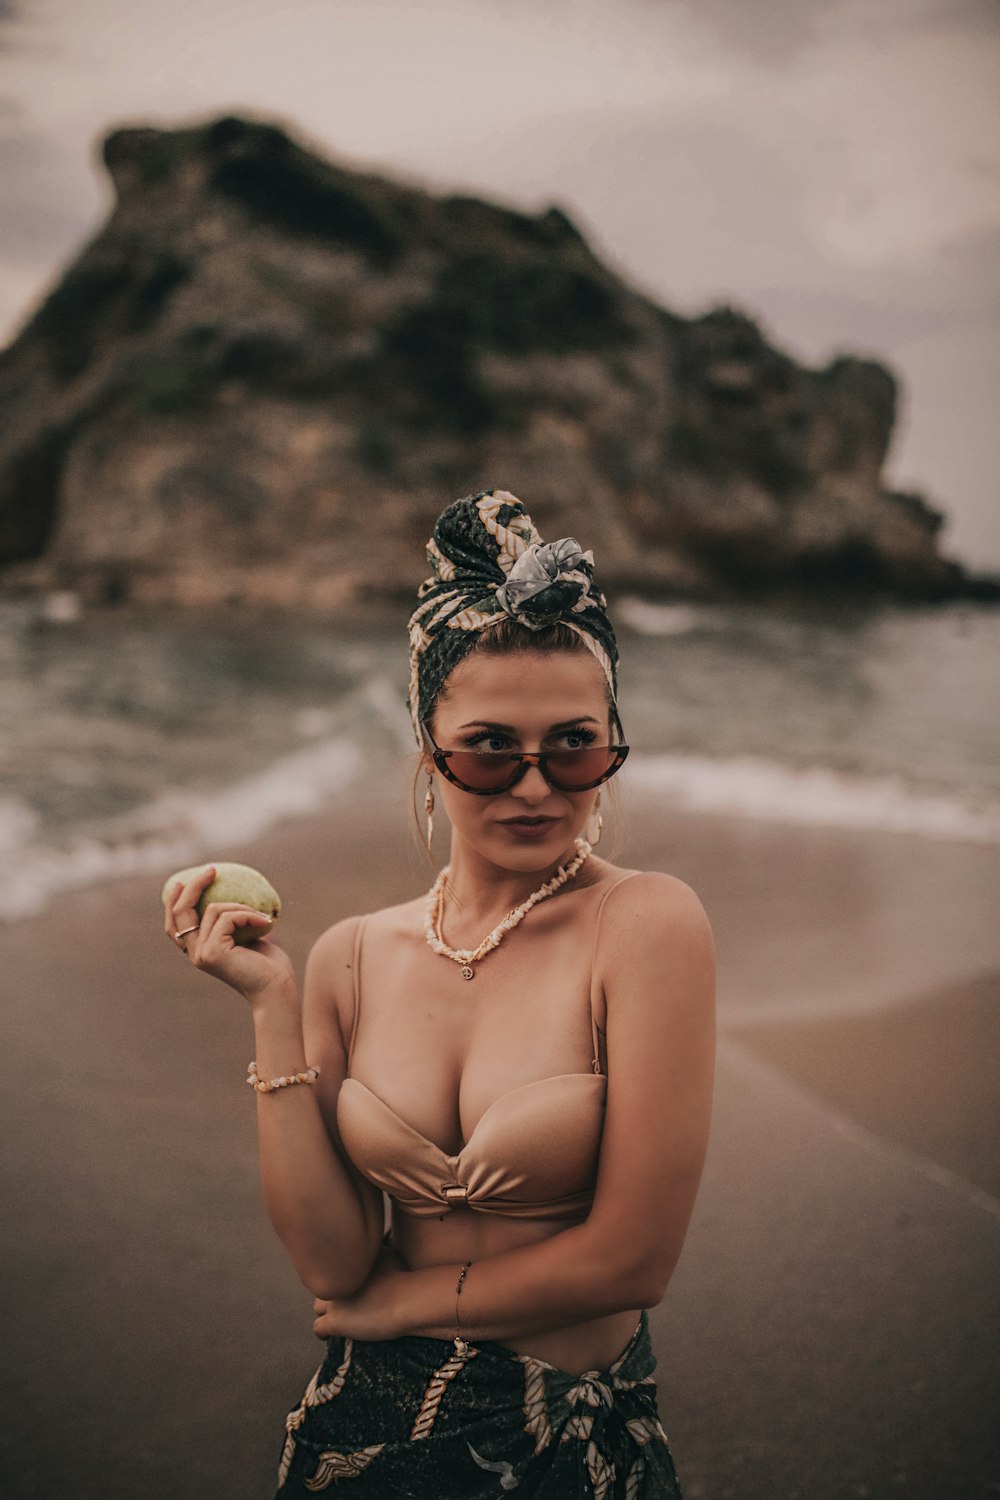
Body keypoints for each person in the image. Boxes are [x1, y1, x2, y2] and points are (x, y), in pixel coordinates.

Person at [163, 488, 716, 1498]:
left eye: (575, 745)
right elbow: (333, 1267)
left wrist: (401, 1308)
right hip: (370, 1427)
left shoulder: (644, 926)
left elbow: (633, 1262)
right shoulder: (350, 956)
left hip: (561, 1435)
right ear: (427, 746)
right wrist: (270, 1004)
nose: (537, 786)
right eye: (489, 749)